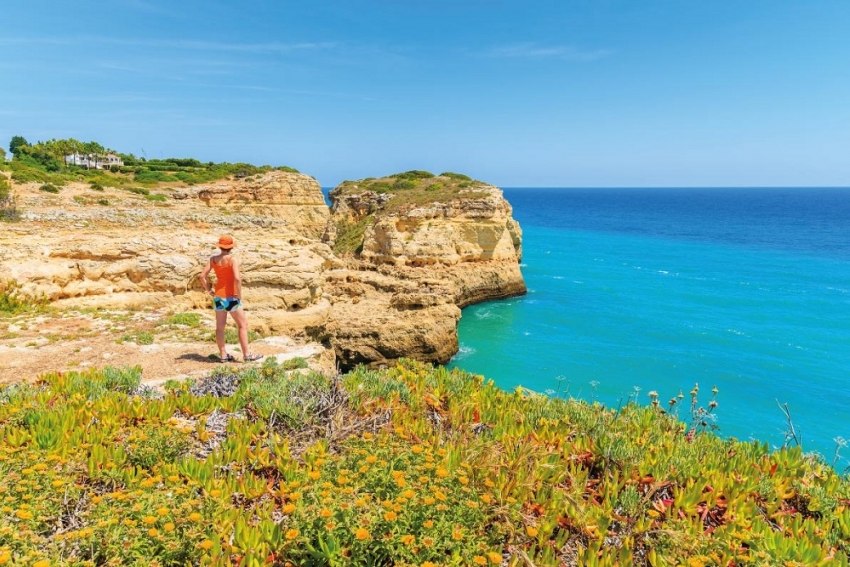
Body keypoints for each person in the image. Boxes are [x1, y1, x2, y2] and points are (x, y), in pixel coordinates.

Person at [199, 234, 262, 362]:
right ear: (231, 247)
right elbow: (237, 279)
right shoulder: (232, 260)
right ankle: (247, 355)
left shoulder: (213, 259)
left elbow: (202, 276)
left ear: (220, 246)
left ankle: (223, 355)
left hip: (218, 297)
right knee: (242, 325)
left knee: (220, 328)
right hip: (231, 297)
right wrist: (238, 295)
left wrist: (208, 290)